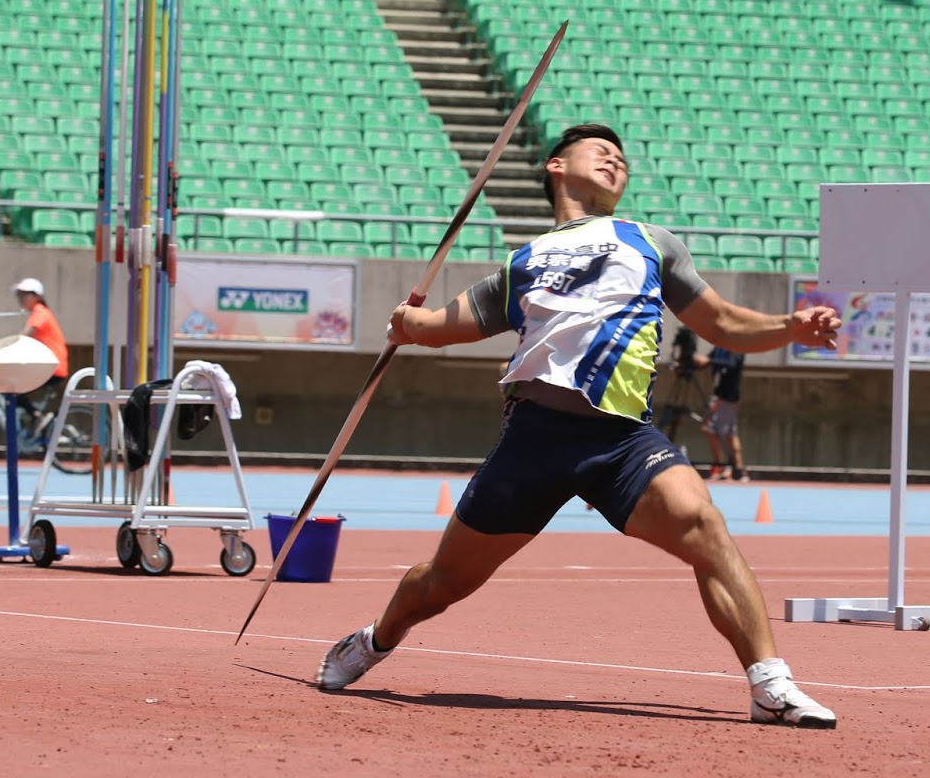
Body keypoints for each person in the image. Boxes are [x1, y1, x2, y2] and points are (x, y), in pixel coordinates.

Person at [316, 125, 845, 726]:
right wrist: (410, 324)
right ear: (555, 167)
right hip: (533, 440)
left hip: (620, 439)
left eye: (622, 156)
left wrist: (789, 327)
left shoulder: (649, 242)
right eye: (601, 152)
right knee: (441, 585)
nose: (616, 159)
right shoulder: (522, 262)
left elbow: (721, 322)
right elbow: (445, 324)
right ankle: (376, 638)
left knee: (705, 525)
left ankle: (769, 686)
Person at [13, 278, 69, 447]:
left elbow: (24, 336)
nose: (20, 299)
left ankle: (36, 416)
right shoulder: (40, 312)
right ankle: (35, 416)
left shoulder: (40, 312)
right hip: (51, 366)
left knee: (12, 388)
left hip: (53, 367)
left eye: (24, 295)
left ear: (36, 296)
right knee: (15, 388)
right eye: (19, 295)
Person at [696, 345, 749, 481]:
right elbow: (708, 360)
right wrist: (694, 362)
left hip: (728, 396)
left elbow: (732, 363)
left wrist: (709, 361)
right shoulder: (719, 347)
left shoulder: (736, 346)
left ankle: (722, 465)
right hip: (720, 395)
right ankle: (738, 469)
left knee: (710, 429)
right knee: (730, 434)